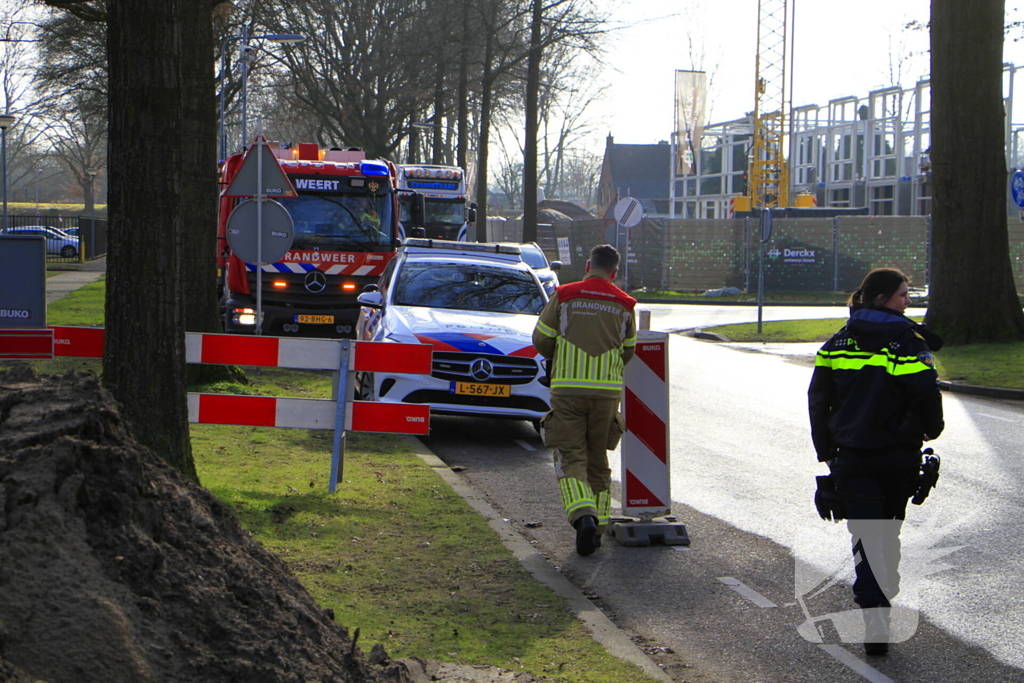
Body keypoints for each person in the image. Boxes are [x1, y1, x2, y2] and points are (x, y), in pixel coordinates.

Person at [808, 267, 944, 656]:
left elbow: (818, 400)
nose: (908, 302)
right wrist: (932, 429)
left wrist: (826, 450)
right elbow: (924, 392)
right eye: (903, 295)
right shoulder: (905, 341)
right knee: (888, 533)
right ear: (883, 299)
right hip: (897, 455)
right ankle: (882, 601)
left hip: (850, 457)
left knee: (865, 537)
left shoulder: (837, 343)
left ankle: (875, 614)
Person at [533, 244, 637, 556]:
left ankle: (583, 517)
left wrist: (562, 356)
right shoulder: (625, 303)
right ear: (614, 272)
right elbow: (628, 350)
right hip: (606, 394)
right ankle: (599, 527)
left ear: (588, 265)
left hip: (567, 391)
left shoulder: (565, 294)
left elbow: (541, 339)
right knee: (598, 460)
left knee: (570, 457)